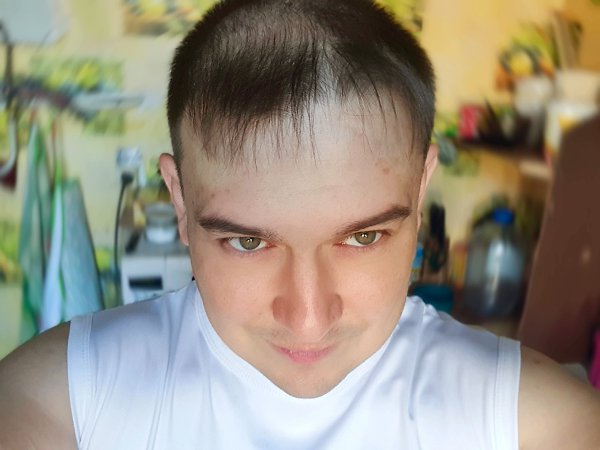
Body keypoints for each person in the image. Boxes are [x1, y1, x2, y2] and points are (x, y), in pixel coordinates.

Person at [1, 0, 599, 448]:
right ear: (180, 201)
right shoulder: (65, 400)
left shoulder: (529, 421)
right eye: (247, 242)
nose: (309, 319)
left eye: (363, 237)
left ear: (420, 191)